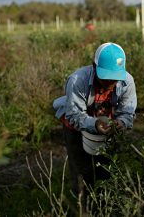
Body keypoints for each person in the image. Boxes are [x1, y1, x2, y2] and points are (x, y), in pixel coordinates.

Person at [53, 42, 137, 199]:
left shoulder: (127, 82)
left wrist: (120, 123)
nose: (111, 83)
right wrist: (94, 124)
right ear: (94, 66)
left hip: (107, 126)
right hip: (75, 127)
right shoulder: (78, 80)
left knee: (107, 168)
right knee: (81, 171)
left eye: (115, 79)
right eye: (106, 78)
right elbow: (75, 115)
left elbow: (127, 112)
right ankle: (83, 205)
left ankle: (104, 202)